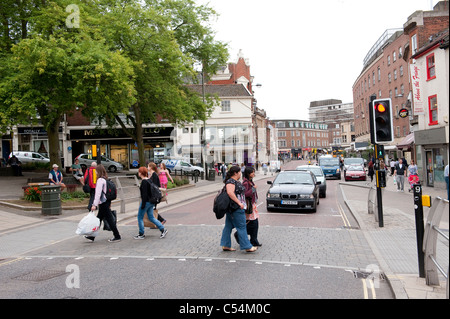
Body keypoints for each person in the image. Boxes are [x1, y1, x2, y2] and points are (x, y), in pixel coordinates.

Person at [220, 165, 257, 253]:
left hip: (233, 208)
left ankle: (225, 245)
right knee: (241, 226)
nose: (241, 173)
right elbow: (230, 192)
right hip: (235, 208)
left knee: (228, 226)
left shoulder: (234, 181)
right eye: (239, 172)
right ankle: (247, 246)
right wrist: (239, 202)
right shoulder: (231, 181)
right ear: (235, 173)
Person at [87, 164, 121, 242]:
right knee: (99, 218)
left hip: (103, 202)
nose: (95, 172)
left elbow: (98, 194)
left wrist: (94, 205)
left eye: (96, 171)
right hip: (106, 201)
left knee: (109, 219)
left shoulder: (100, 181)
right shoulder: (105, 179)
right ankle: (92, 236)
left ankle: (117, 235)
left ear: (98, 171)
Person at [134, 166, 168, 240]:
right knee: (151, 217)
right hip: (151, 202)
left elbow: (144, 194)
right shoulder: (149, 180)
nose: (138, 173)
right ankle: (163, 229)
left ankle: (141, 234)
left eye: (139, 172)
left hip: (146, 202)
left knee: (140, 217)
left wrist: (143, 205)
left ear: (141, 173)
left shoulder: (144, 182)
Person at [240, 167, 261, 247]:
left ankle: (254, 240)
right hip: (249, 205)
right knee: (253, 223)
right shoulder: (245, 183)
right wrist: (253, 189)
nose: (254, 173)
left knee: (254, 223)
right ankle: (241, 235)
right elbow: (245, 194)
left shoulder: (250, 181)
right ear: (248, 173)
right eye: (252, 172)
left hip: (252, 204)